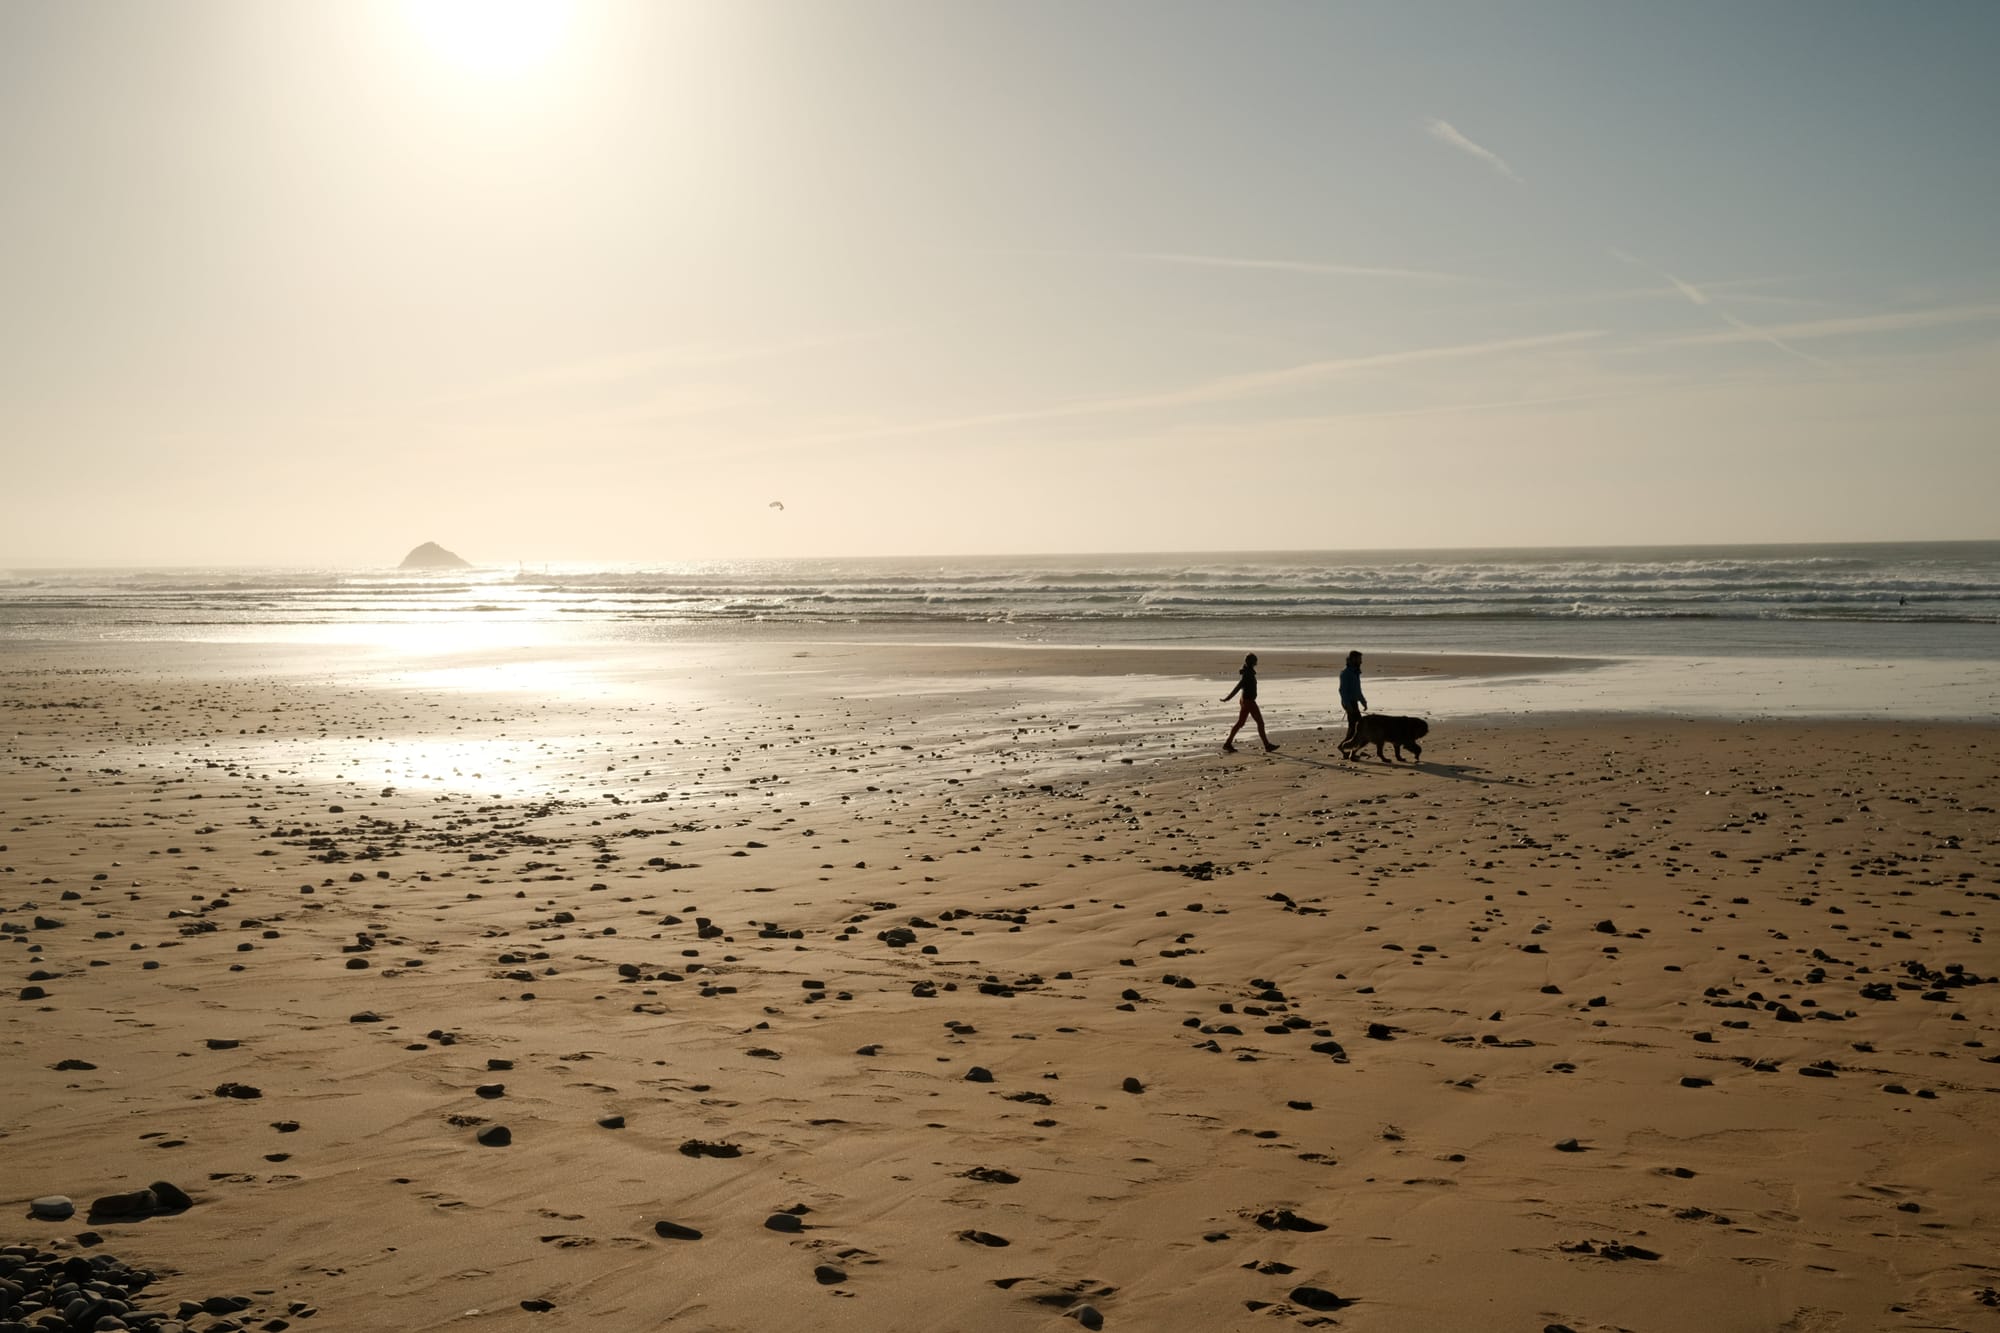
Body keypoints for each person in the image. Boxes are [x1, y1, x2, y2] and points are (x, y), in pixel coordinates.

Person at [1222, 653, 1277, 753]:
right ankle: (1267, 745)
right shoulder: (1247, 674)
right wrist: (1228, 698)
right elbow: (1238, 687)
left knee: (1240, 723)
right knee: (1260, 723)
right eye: (1255, 660)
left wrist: (1229, 698)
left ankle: (1228, 743)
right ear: (1252, 662)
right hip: (1249, 702)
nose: (1257, 662)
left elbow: (1240, 687)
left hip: (1245, 701)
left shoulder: (1248, 672)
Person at [1338, 650, 1367, 751]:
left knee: (1357, 727)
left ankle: (1350, 749)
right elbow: (1342, 691)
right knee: (1356, 727)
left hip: (1353, 702)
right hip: (1349, 703)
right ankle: (1344, 747)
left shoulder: (1355, 672)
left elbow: (1357, 690)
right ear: (1353, 659)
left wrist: (1363, 701)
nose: (1361, 661)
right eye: (1359, 659)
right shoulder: (1346, 673)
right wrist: (1348, 705)